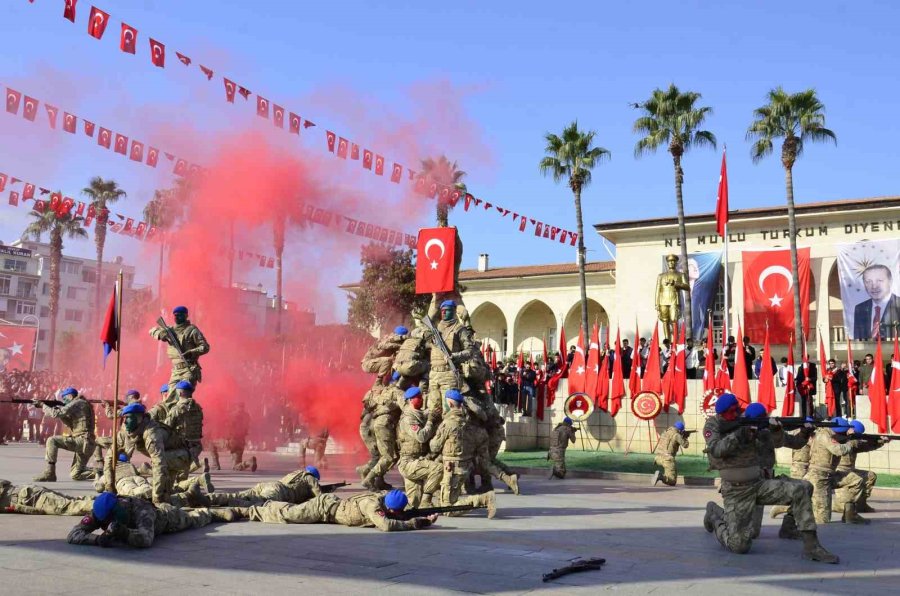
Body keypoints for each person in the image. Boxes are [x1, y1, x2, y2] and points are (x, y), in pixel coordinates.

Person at [702, 393, 837, 563]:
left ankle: (812, 547)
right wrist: (741, 434)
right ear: (725, 413)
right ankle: (715, 517)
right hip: (736, 490)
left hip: (759, 484)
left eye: (738, 410)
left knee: (800, 489)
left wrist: (782, 430)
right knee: (740, 545)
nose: (737, 414)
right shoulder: (713, 425)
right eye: (733, 411)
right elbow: (717, 449)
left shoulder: (750, 424)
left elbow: (779, 441)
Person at [217, 489, 439, 531]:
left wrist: (417, 513)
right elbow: (386, 525)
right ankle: (247, 510)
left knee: (290, 511)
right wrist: (418, 523)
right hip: (324, 508)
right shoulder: (373, 505)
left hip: (329, 508)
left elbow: (400, 509)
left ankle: (255, 506)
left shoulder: (386, 499)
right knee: (287, 515)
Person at [67, 491, 222, 548]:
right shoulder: (100, 512)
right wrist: (96, 540)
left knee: (196, 517)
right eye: (104, 522)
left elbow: (146, 539)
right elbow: (73, 534)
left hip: (166, 519)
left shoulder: (141, 510)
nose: (107, 524)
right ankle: (190, 495)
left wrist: (125, 533)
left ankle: (225, 512)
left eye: (110, 520)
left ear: (117, 511)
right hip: (154, 510)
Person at [429, 389, 497, 517]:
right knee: (446, 500)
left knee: (448, 510)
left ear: (449, 404)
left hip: (452, 468)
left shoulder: (448, 423)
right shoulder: (468, 422)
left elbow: (434, 446)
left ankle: (484, 499)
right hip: (465, 465)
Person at [106, 403, 191, 504]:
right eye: (124, 418)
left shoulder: (152, 433)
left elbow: (159, 464)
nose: (125, 421)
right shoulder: (125, 430)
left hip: (180, 457)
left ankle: (170, 496)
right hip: (165, 458)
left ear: (138, 419)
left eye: (128, 418)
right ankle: (191, 495)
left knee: (159, 497)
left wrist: (156, 498)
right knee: (167, 496)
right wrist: (110, 486)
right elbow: (109, 458)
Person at [802, 418, 866, 524]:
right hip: (818, 478)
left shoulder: (835, 435)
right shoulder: (825, 435)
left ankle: (849, 514)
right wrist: (851, 441)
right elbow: (839, 450)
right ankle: (789, 515)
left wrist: (879, 442)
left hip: (830, 476)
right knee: (823, 520)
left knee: (856, 479)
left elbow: (862, 446)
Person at [425, 300, 478, 419]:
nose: (443, 313)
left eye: (447, 310)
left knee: (448, 410)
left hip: (449, 374)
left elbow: (470, 351)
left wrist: (455, 356)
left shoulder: (460, 329)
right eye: (442, 311)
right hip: (434, 374)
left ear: (453, 311)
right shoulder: (435, 328)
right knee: (433, 410)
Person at [33, 387, 96, 482]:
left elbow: (56, 414)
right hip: (87, 443)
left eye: (65, 399)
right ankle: (102, 472)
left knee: (52, 440)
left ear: (70, 396)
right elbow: (70, 423)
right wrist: (55, 408)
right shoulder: (82, 404)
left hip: (82, 440)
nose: (64, 401)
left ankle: (50, 473)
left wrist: (43, 405)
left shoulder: (78, 402)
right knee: (76, 474)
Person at [150, 305, 210, 403]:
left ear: (186, 316)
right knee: (169, 399)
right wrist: (162, 335)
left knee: (182, 395)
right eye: (175, 315)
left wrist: (192, 352)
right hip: (176, 370)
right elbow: (152, 330)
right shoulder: (170, 330)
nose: (177, 317)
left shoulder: (192, 330)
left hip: (188, 368)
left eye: (180, 315)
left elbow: (205, 347)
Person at [396, 386, 442, 508]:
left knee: (413, 504)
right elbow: (421, 437)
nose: (421, 399)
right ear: (410, 400)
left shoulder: (417, 413)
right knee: (438, 469)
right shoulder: (408, 418)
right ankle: (426, 501)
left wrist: (433, 413)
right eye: (418, 398)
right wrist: (431, 421)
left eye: (421, 397)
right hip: (409, 462)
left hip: (417, 460)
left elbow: (425, 413)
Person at [833, 420, 888, 514]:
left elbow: (866, 446)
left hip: (850, 470)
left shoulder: (853, 442)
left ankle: (861, 504)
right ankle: (845, 506)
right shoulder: (838, 440)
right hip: (839, 471)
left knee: (871, 476)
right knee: (842, 507)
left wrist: (881, 441)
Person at [204, 466, 325, 507]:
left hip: (269, 484)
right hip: (279, 491)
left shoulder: (297, 473)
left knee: (239, 494)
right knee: (257, 503)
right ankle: (233, 503)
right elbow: (320, 497)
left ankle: (210, 498)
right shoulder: (310, 478)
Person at [853, 264, 900, 340]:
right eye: (868, 281)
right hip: (867, 351)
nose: (874, 286)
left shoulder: (898, 304)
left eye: (880, 281)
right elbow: (858, 338)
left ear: (890, 281)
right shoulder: (860, 308)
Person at [164, 381, 204, 470]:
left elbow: (167, 426)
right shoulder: (198, 407)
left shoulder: (177, 409)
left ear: (180, 393)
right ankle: (198, 463)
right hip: (197, 443)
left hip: (182, 444)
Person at [1, 478, 94, 515]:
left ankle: (104, 506)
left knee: (69, 507)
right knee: (73, 501)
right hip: (28, 492)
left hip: (31, 497)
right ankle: (103, 500)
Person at [652, 421, 688, 486]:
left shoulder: (666, 432)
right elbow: (685, 445)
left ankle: (665, 475)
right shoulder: (676, 435)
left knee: (671, 472)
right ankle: (660, 476)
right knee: (672, 481)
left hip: (658, 458)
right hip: (667, 459)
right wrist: (685, 437)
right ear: (680, 430)